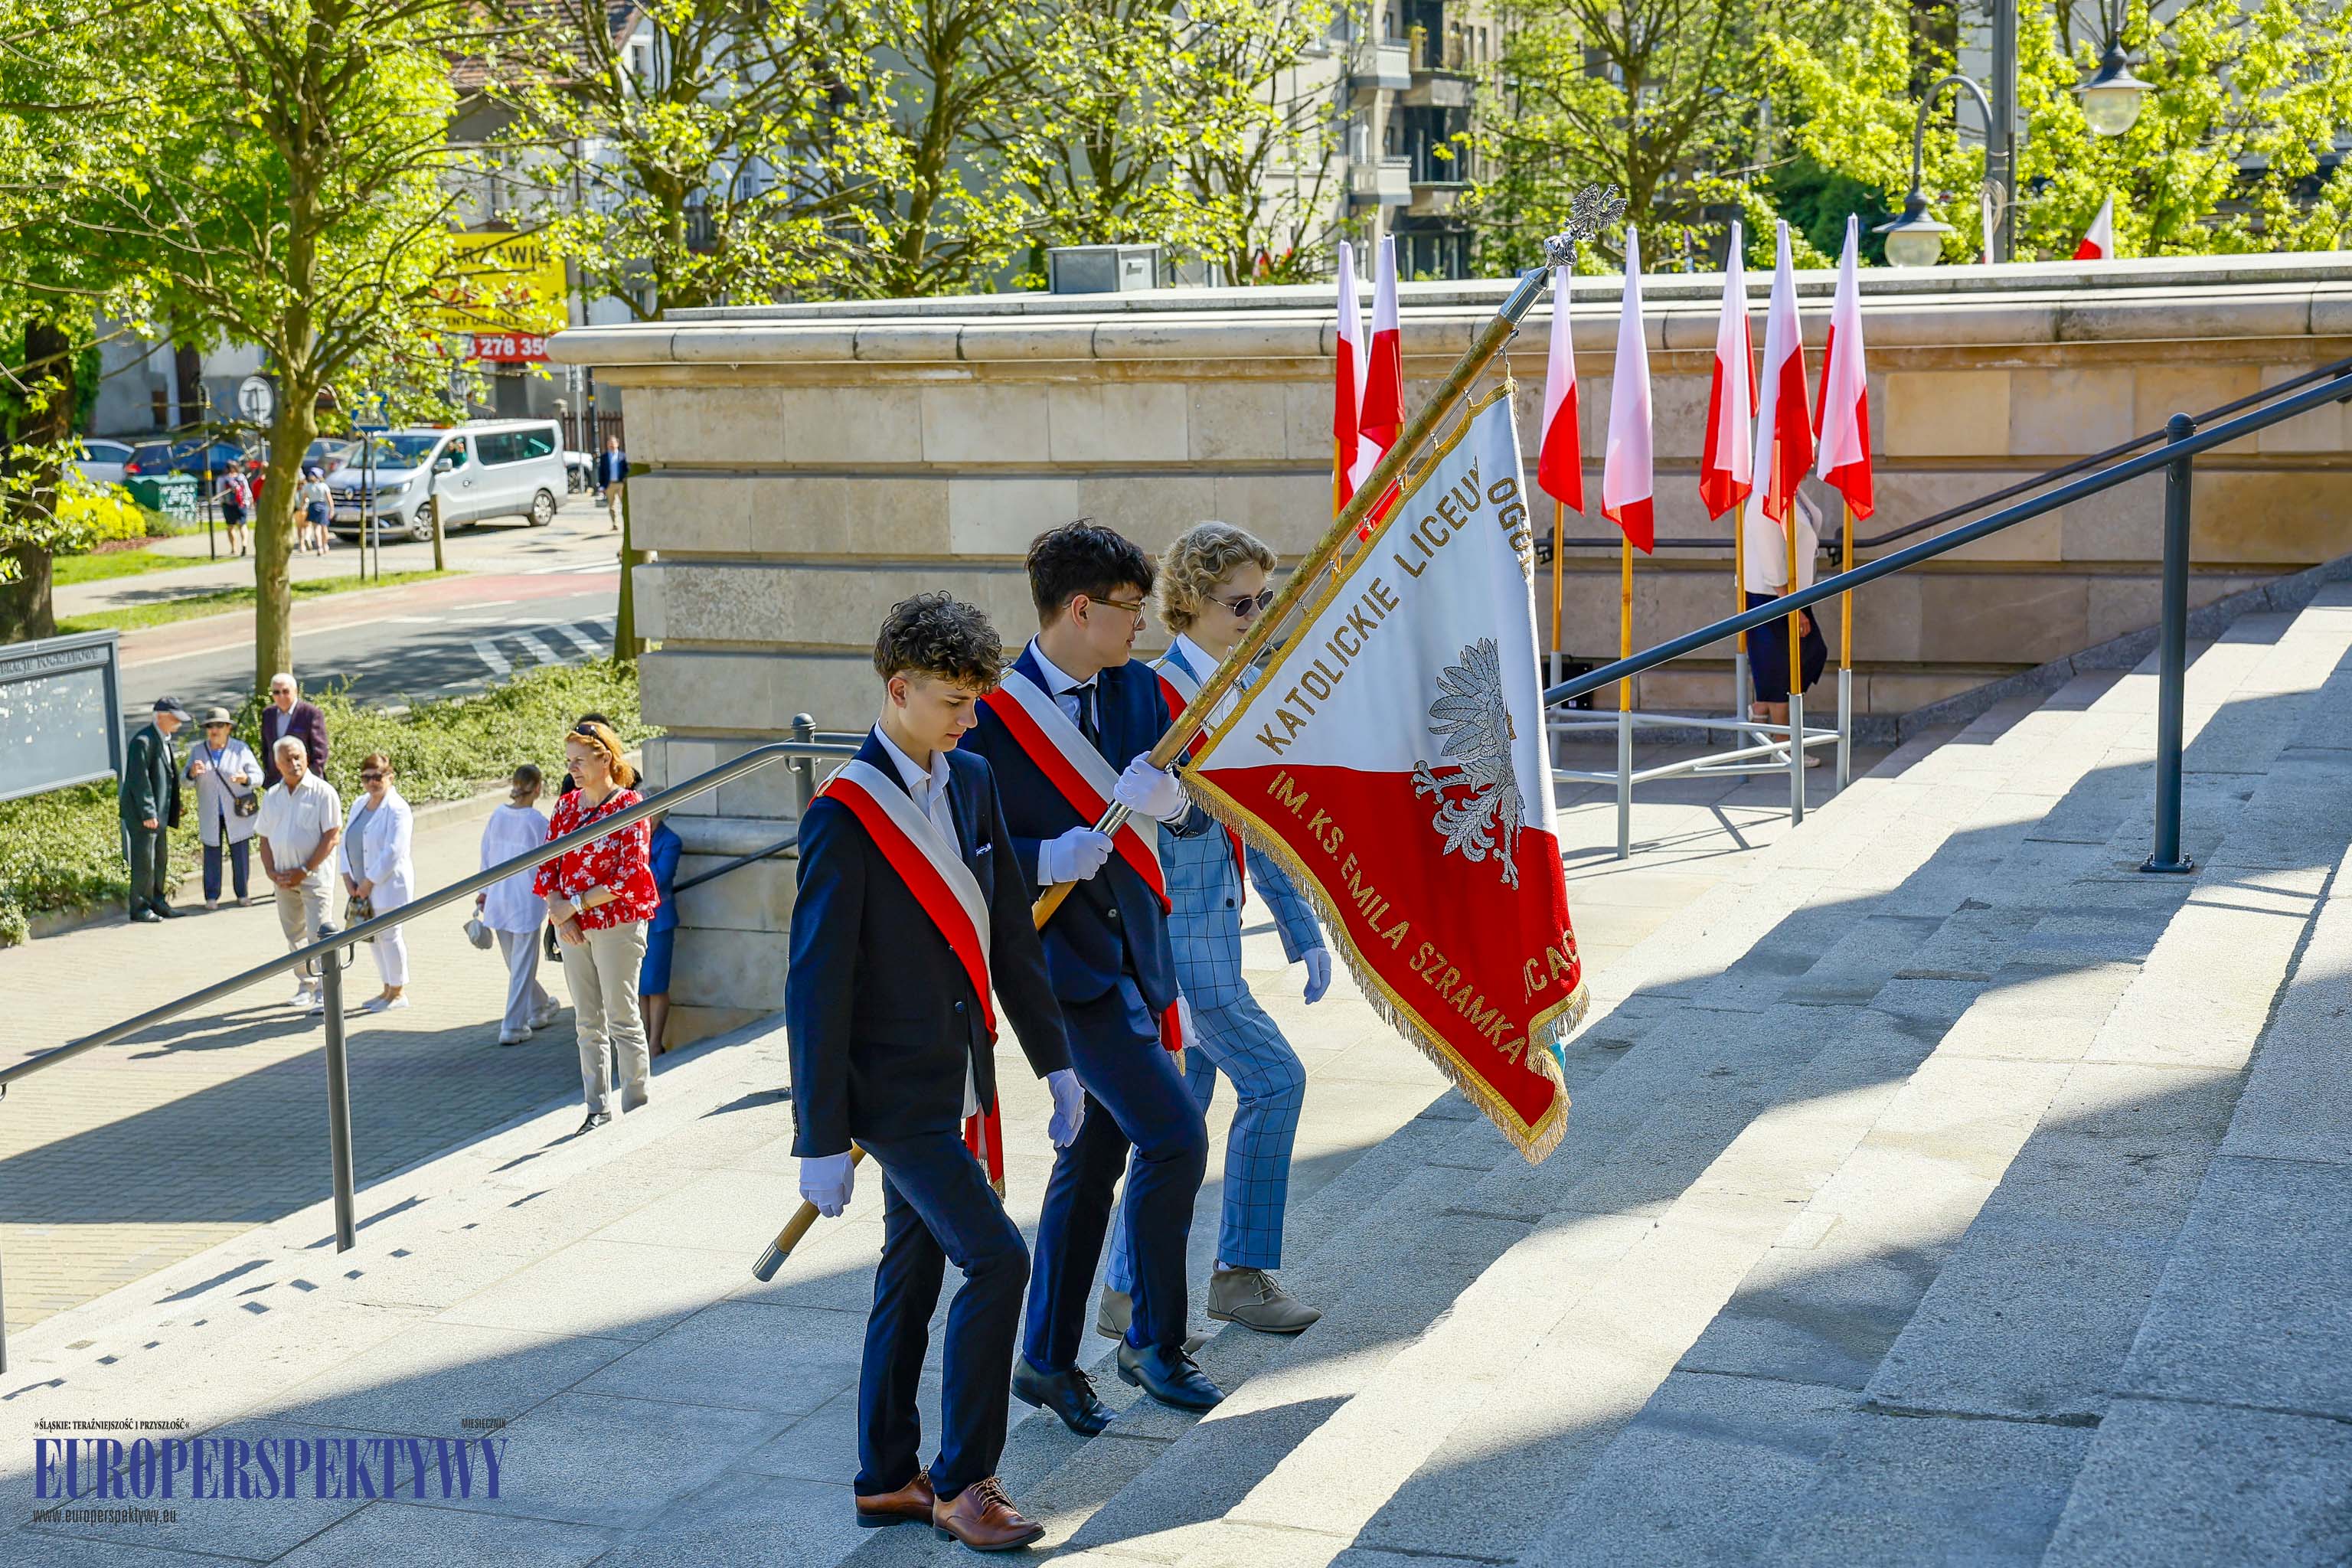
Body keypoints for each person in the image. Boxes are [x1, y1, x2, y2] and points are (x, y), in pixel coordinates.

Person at [788, 592, 1079, 1550]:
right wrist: (821, 1138)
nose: (966, 720)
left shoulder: (976, 779)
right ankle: (965, 1481)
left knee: (910, 1277)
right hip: (894, 1094)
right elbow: (815, 989)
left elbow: (1007, 939)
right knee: (1000, 1259)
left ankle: (884, 1476)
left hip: (961, 1076)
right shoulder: (843, 813)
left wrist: (1056, 1063)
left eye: (974, 703)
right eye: (951, 701)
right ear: (898, 687)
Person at [961, 520, 1222, 1429]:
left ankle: (1044, 1358)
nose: (1141, 626)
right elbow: (965, 851)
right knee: (1177, 1135)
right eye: (1128, 609)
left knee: (1097, 1153)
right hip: (1059, 975)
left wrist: (1176, 803)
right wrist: (1041, 855)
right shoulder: (988, 718)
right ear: (1080, 608)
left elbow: (1194, 821)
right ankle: (1154, 1340)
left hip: (1136, 960)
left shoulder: (1143, 693)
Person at [1102, 522, 1334, 1339]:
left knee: (1179, 1114)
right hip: (1178, 942)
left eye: (1262, 599)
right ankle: (1238, 1273)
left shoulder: (1239, 686)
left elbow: (1256, 822)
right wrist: (1178, 808)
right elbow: (1142, 819)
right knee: (1276, 1080)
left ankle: (1128, 1289)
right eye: (1241, 601)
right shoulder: (1157, 692)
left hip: (1211, 936)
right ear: (1192, 601)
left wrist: (1301, 926)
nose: (1255, 614)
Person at [534, 720, 659, 1134]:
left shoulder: (629, 806)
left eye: (580, 760)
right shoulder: (567, 806)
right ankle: (596, 1107)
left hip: (617, 924)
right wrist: (560, 913)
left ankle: (637, 1104)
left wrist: (574, 905)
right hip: (573, 927)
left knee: (622, 1016)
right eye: (569, 761)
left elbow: (631, 876)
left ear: (605, 758)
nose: (572, 768)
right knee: (587, 1021)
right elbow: (547, 867)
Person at [478, 765, 564, 1045]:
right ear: (538, 788)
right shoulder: (538, 822)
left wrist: (484, 891)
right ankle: (512, 1026)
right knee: (521, 966)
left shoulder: (498, 815)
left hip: (499, 897)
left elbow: (486, 854)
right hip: (525, 900)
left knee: (517, 966)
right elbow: (550, 863)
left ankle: (539, 1007)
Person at [256, 737, 342, 1013]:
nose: (294, 764)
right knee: (294, 935)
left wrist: (304, 870)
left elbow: (332, 836)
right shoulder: (273, 795)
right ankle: (306, 985)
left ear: (306, 758)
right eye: (288, 760)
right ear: (277, 764)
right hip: (283, 880)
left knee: (321, 935)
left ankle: (325, 992)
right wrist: (271, 872)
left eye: (298, 758)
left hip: (314, 878)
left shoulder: (323, 792)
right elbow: (265, 838)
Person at [1743, 489, 1828, 764]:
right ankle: (1782, 747)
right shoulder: (1765, 496)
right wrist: (1792, 607)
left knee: (1810, 653)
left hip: (1795, 590)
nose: (1812, 459)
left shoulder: (1795, 491)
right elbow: (1770, 559)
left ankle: (1760, 709)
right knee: (1780, 669)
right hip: (1772, 595)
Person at [341, 753, 415, 1013]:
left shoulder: (397, 808)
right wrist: (347, 878)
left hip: (387, 886)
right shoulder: (359, 803)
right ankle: (386, 989)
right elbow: (346, 841)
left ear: (390, 777)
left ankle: (398, 992)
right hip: (360, 887)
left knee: (391, 936)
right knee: (374, 938)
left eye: (378, 776)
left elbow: (393, 852)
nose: (372, 782)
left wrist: (369, 883)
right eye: (367, 777)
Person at [119, 696, 190, 923]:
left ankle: (158, 902)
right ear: (161, 717)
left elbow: (167, 777)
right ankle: (140, 908)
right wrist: (149, 812)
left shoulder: (164, 740)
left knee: (160, 859)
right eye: (175, 719)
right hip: (143, 816)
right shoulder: (143, 741)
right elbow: (139, 781)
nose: (179, 723)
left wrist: (173, 807)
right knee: (144, 862)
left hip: (158, 814)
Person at [183, 707, 262, 909]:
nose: (214, 730)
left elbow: (259, 777)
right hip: (211, 812)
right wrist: (192, 773)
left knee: (241, 855)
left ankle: (243, 894)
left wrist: (246, 779)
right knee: (211, 854)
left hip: (236, 812)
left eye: (219, 725)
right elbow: (184, 782)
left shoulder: (240, 749)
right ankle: (211, 897)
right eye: (210, 726)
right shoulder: (198, 751)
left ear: (228, 728)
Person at [639, 810, 682, 1055]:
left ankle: (655, 1044)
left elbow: (659, 879)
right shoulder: (636, 836)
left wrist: (640, 851)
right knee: (640, 986)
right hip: (636, 918)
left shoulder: (671, 840)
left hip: (659, 921)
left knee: (656, 984)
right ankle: (643, 1041)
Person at [259, 673, 329, 792]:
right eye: (276, 692)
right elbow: (266, 749)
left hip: (306, 784)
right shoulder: (268, 714)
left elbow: (320, 752)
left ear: (295, 691)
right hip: (277, 784)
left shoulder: (310, 714)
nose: (281, 696)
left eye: (285, 691)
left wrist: (308, 779)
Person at [299, 463, 333, 554]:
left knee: (317, 528)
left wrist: (302, 507)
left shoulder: (308, 487)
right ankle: (324, 545)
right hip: (322, 507)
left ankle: (320, 547)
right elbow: (329, 500)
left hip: (313, 507)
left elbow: (304, 499)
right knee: (323, 527)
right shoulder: (323, 486)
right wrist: (331, 510)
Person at [219, 466, 252, 557]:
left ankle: (234, 549)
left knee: (231, 527)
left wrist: (222, 503)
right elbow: (247, 491)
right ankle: (244, 544)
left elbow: (220, 493)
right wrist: (248, 502)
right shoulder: (241, 477)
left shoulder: (222, 479)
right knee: (243, 525)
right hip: (241, 504)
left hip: (228, 505)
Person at [597, 436, 626, 530]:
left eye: (613, 443)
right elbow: (601, 472)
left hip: (621, 484)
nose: (611, 445)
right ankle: (615, 524)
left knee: (625, 504)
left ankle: (626, 523)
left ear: (617, 443)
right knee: (612, 506)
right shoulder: (604, 457)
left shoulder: (623, 456)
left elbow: (627, 470)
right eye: (609, 443)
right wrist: (602, 486)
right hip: (609, 484)